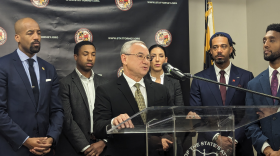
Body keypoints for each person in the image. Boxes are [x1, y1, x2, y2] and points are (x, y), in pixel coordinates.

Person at [93, 40, 173, 156]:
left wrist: (165, 136)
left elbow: (169, 121)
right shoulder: (106, 91)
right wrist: (113, 122)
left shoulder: (161, 90)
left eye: (147, 57)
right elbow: (98, 127)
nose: (146, 61)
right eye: (140, 56)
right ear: (124, 59)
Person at [0, 17, 64, 156]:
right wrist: (25, 140)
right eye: (30, 33)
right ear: (17, 37)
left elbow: (57, 110)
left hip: (44, 150)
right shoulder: (3, 66)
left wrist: (51, 138)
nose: (36, 37)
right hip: (13, 149)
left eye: (39, 33)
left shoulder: (49, 69)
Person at [189, 32, 254, 156]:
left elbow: (250, 113)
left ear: (231, 49)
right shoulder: (199, 79)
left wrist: (233, 139)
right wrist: (216, 138)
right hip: (208, 147)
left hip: (240, 146)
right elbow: (196, 114)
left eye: (223, 46)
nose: (219, 50)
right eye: (215, 47)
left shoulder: (246, 76)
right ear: (210, 52)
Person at [55, 41, 108, 156]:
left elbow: (111, 116)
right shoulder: (65, 84)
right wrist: (85, 147)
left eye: (93, 54)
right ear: (76, 57)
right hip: (76, 148)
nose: (90, 58)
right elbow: (67, 120)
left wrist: (103, 142)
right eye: (85, 54)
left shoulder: (104, 83)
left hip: (101, 147)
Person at [245, 23, 280, 156]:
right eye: (264, 40)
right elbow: (250, 124)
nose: (265, 44)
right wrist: (266, 149)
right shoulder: (253, 84)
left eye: (272, 40)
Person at [144, 44, 184, 152]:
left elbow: (179, 111)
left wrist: (168, 135)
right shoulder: (142, 81)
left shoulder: (174, 82)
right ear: (148, 59)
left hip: (172, 137)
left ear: (165, 59)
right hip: (149, 140)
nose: (157, 59)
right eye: (153, 56)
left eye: (161, 56)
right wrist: (156, 138)